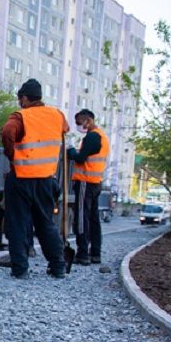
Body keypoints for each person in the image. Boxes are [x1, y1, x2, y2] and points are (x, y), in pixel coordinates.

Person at [0, 78, 68, 279]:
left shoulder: (20, 116)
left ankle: (20, 269)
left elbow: (6, 132)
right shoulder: (57, 115)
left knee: (18, 223)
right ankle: (58, 267)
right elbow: (65, 129)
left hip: (21, 177)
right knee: (46, 223)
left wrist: (12, 155)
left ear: (25, 98)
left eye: (20, 99)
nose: (19, 102)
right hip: (46, 178)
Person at [68, 108, 108, 264]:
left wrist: (70, 151)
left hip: (85, 181)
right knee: (93, 219)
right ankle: (95, 253)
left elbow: (80, 158)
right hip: (96, 182)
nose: (79, 126)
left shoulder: (92, 137)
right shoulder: (102, 136)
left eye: (79, 123)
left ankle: (83, 253)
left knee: (82, 218)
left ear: (88, 121)